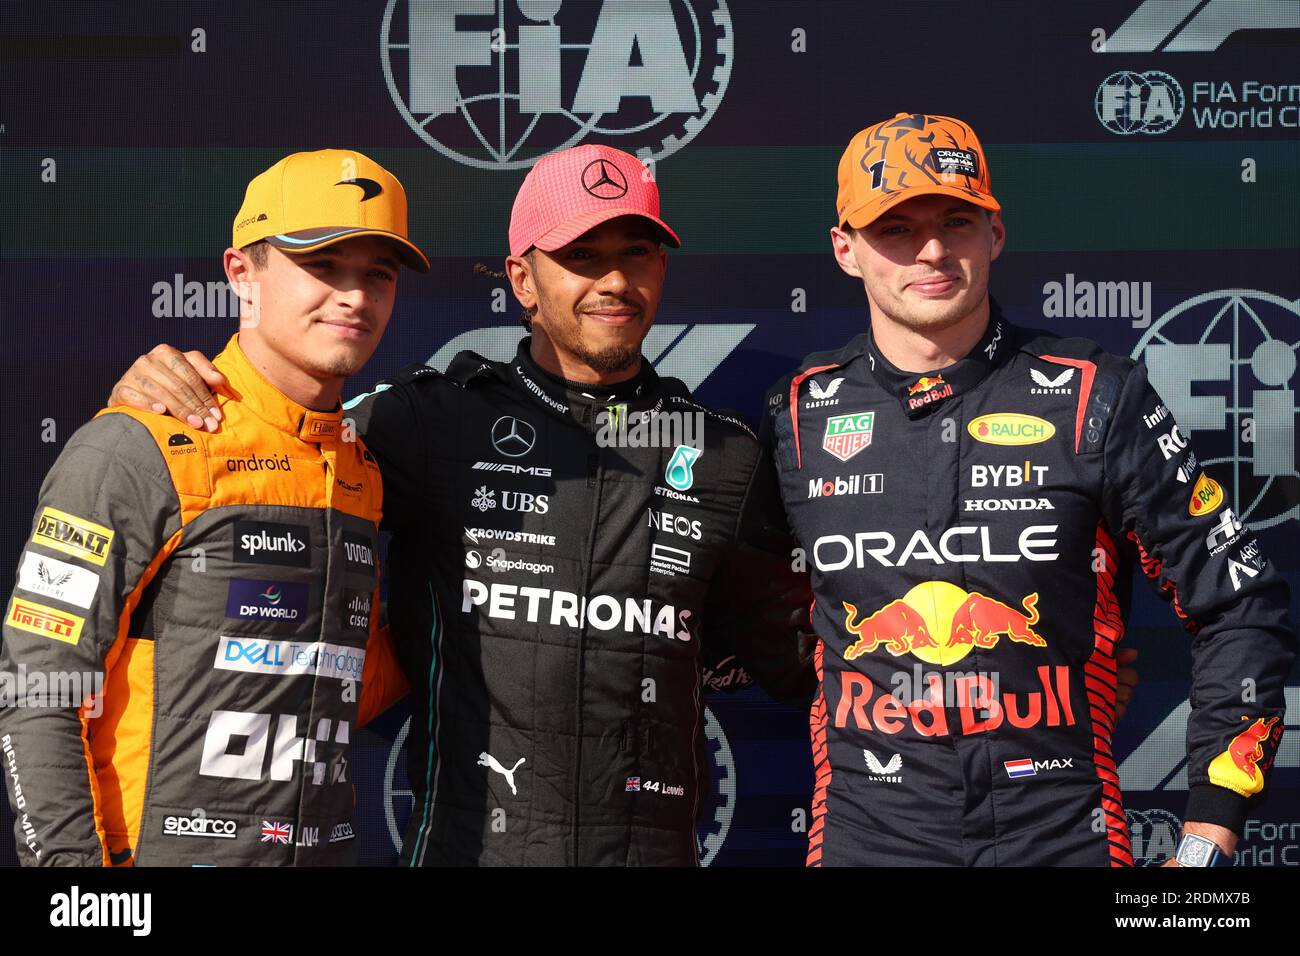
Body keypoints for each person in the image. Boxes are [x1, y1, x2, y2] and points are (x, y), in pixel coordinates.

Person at [104, 144, 816, 866]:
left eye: (637, 253)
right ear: (523, 280)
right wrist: (166, 389)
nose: (613, 280)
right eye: (580, 255)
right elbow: (277, 454)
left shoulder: (727, 456)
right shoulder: (427, 421)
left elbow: (807, 661)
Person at [762, 112, 1296, 867]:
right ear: (846, 250)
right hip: (867, 841)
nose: (933, 251)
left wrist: (1210, 830)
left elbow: (1238, 601)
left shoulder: (1095, 397)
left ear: (996, 233)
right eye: (896, 229)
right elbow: (741, 614)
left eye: (956, 221)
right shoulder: (798, 414)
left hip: (1061, 839)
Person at [0, 149, 423, 865]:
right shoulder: (138, 444)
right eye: (322, 265)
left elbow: (341, 683)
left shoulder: (364, 469)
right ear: (241, 274)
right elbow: (39, 686)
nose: (354, 296)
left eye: (377, 274)